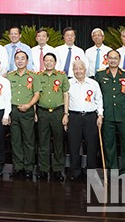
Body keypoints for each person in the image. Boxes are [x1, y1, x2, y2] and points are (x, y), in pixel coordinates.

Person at [95, 49, 125, 175]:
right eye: (110, 58)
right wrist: (100, 114)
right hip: (107, 114)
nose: (113, 60)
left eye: (115, 58)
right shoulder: (100, 74)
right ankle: (111, 169)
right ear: (106, 59)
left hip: (123, 114)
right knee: (109, 143)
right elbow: (97, 95)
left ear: (119, 60)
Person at [66, 60, 104, 181]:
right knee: (73, 145)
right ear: (73, 71)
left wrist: (100, 115)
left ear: (85, 70)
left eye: (80, 69)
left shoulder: (93, 83)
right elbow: (65, 100)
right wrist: (65, 115)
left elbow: (99, 99)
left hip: (90, 117)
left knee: (92, 144)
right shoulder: (68, 83)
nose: (78, 71)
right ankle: (75, 171)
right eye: (75, 69)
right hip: (74, 116)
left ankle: (90, 171)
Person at [35, 53, 70, 181]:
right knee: (43, 142)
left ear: (55, 62)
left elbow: (66, 95)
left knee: (58, 142)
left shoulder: (61, 76)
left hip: (58, 112)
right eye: (47, 61)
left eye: (51, 61)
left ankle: (58, 169)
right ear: (44, 62)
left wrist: (66, 113)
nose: (49, 63)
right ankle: (43, 169)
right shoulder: (38, 76)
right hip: (42, 112)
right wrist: (35, 112)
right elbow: (35, 94)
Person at [8, 51, 39, 179]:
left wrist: (29, 105)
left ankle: (29, 167)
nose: (20, 61)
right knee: (15, 140)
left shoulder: (33, 76)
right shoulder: (9, 76)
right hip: (13, 110)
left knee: (29, 140)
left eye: (22, 59)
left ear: (27, 61)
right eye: (17, 59)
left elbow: (37, 94)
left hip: (27, 110)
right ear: (14, 61)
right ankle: (18, 166)